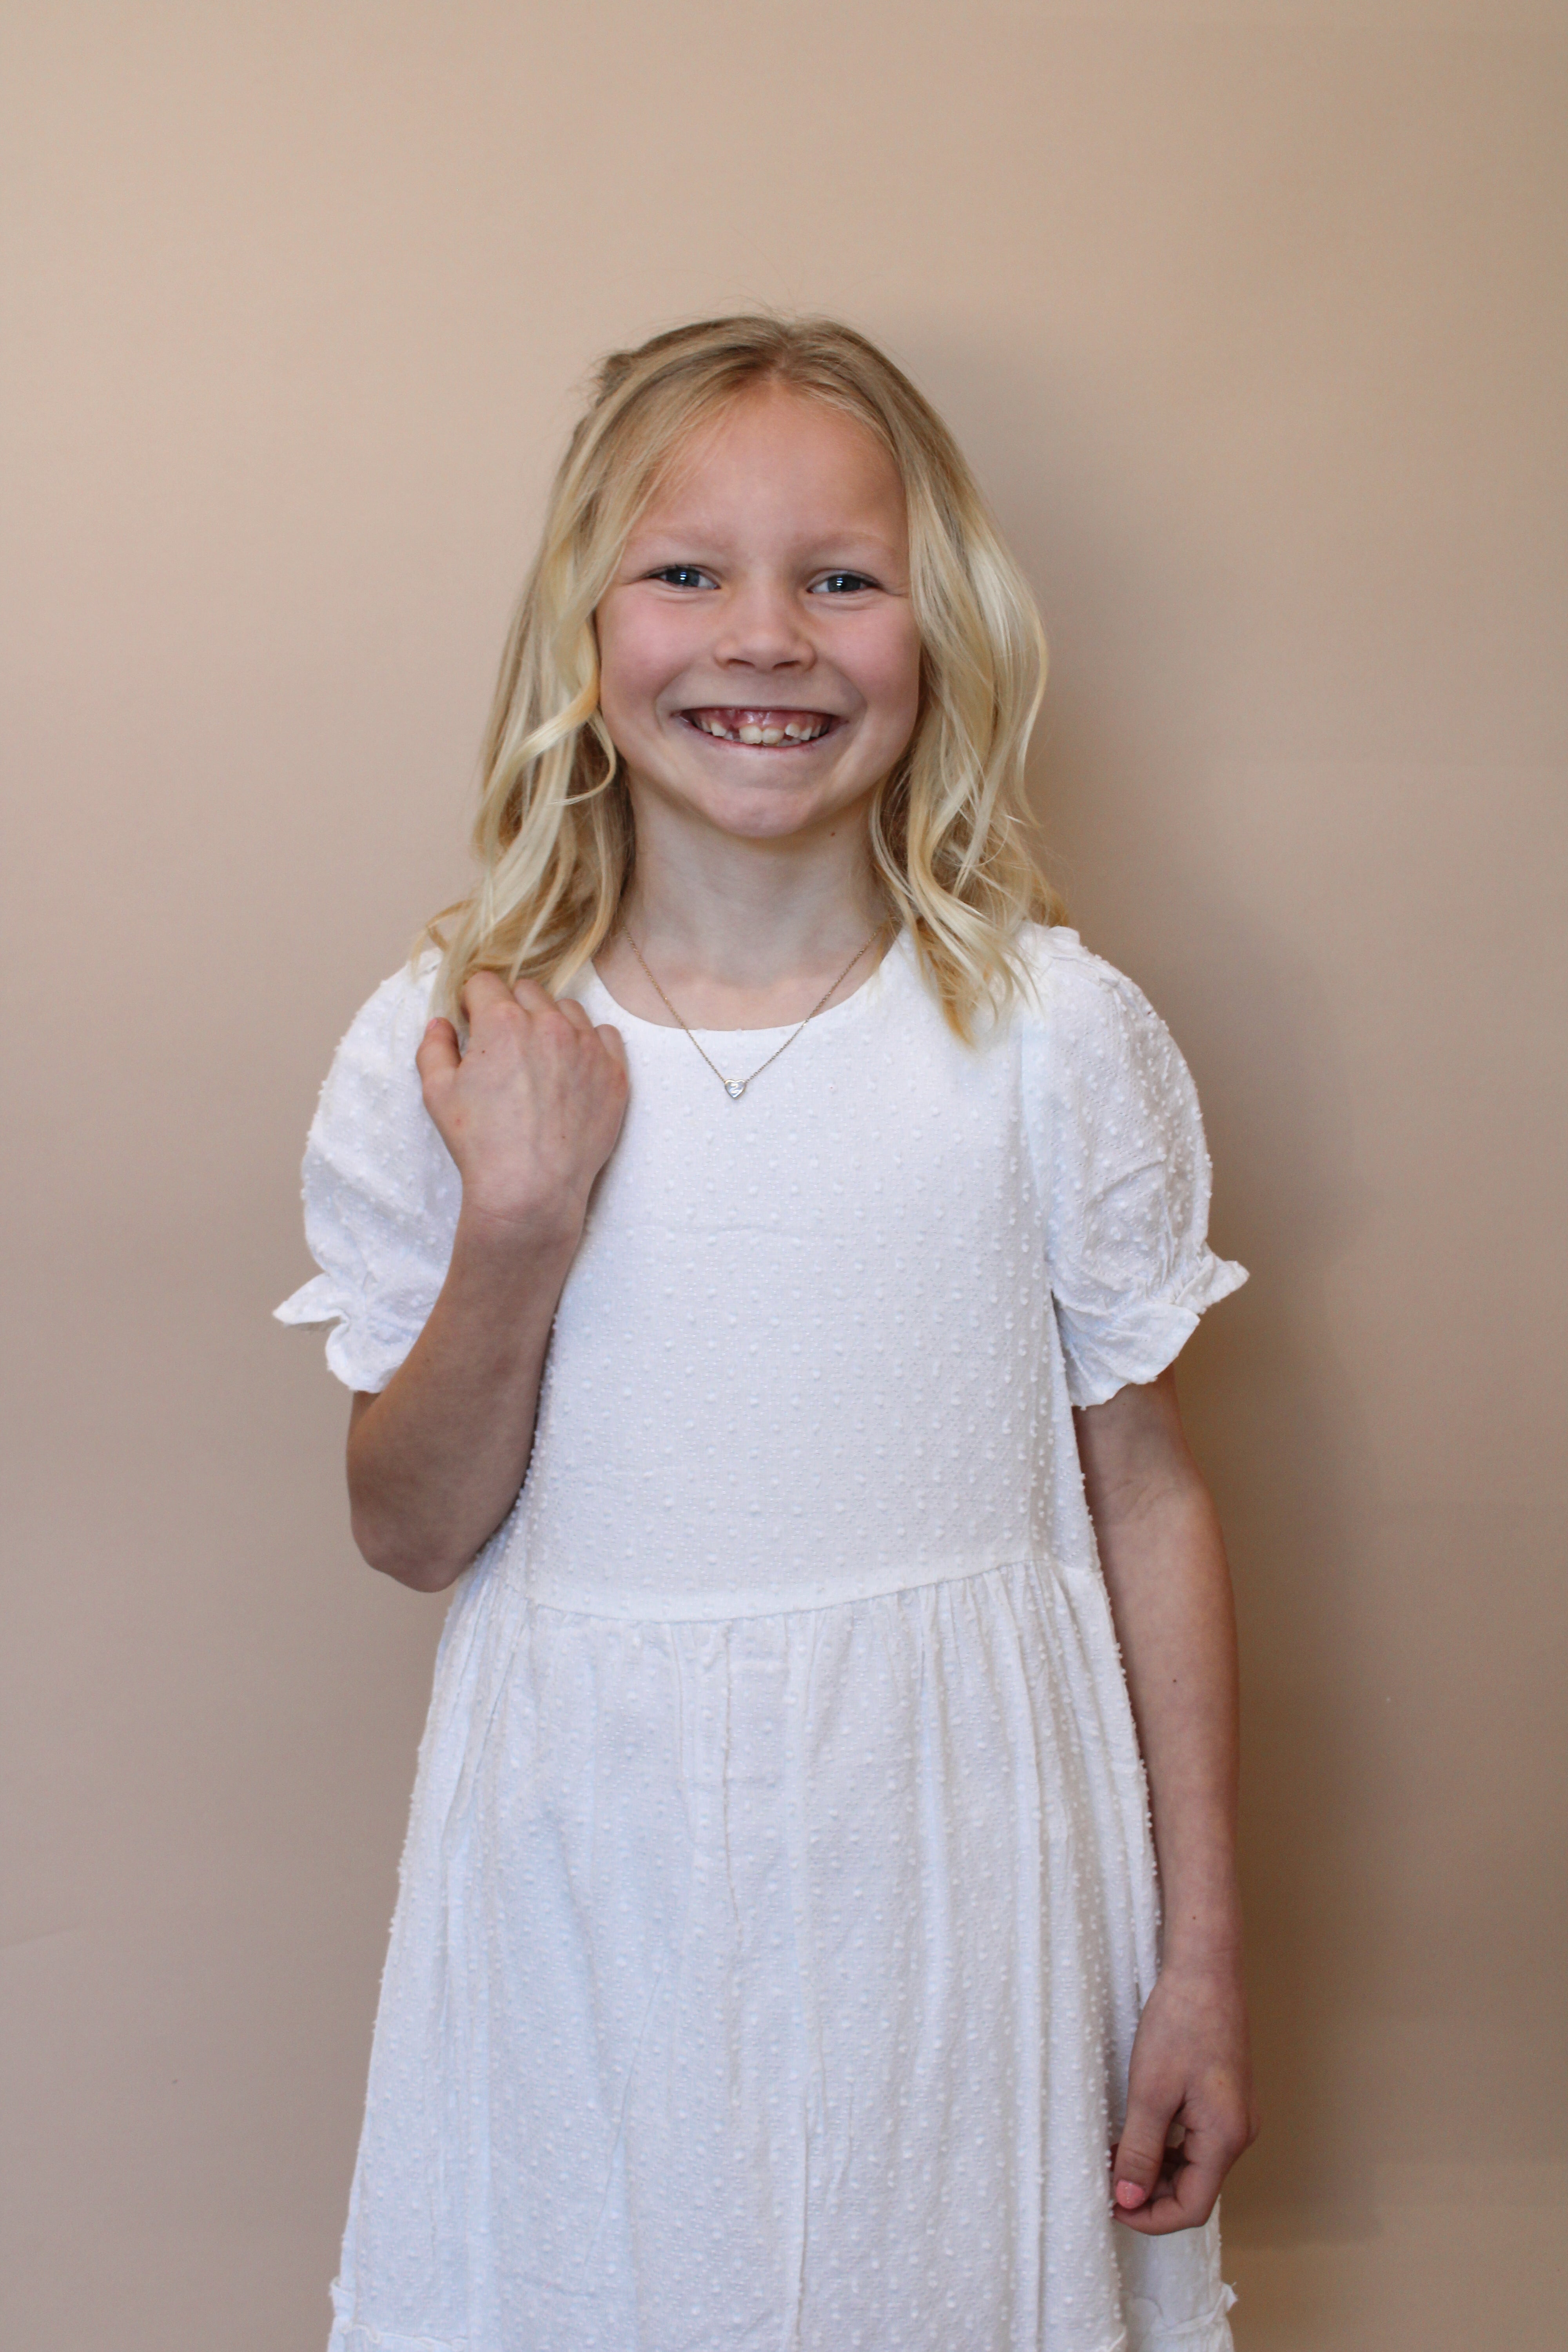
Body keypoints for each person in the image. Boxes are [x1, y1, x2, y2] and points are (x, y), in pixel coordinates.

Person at [277, 313, 1257, 2352]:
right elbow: (409, 1529)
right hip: (590, 1902)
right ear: (585, 626)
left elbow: (1148, 1494)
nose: (765, 638)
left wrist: (1203, 1960)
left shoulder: (1048, 1041)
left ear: (940, 628)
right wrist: (517, 1225)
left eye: (841, 579)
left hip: (971, 1884)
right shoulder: (454, 1044)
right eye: (687, 571)